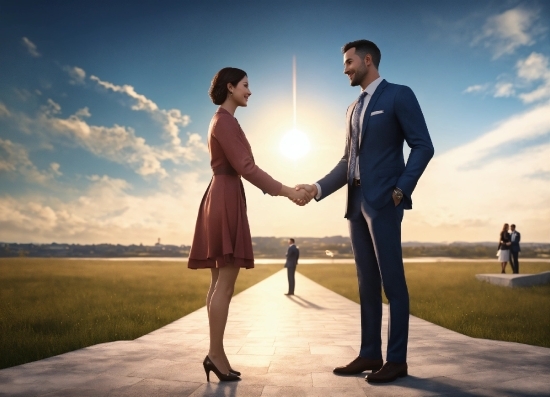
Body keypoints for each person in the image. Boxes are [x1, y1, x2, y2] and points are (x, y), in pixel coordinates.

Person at [295, 40, 434, 383]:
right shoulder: (351, 109)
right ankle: (370, 353)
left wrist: (402, 189)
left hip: (385, 201)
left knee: (392, 283)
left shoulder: (399, 95)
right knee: (366, 283)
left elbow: (423, 145)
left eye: (349, 62)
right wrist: (316, 188)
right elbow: (348, 162)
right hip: (355, 205)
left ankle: (396, 360)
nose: (345, 69)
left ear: (367, 60)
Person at [188, 67, 309, 382]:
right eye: (245, 85)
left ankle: (217, 354)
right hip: (225, 195)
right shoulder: (225, 122)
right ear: (230, 88)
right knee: (224, 285)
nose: (249, 91)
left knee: (218, 284)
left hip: (221, 195)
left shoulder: (221, 120)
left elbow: (240, 166)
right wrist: (286, 190)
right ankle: (215, 354)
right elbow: (245, 166)